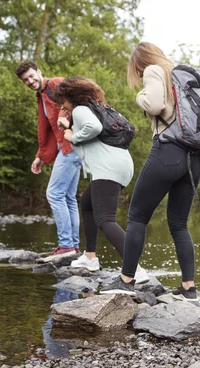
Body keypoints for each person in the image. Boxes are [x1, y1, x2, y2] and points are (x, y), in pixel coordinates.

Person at [101, 42, 200, 300]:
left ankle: (126, 280)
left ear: (139, 63)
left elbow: (154, 104)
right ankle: (188, 287)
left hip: (168, 151)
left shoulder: (154, 71)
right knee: (179, 223)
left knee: (136, 216)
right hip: (193, 157)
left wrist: (139, 97)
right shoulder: (180, 73)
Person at [52, 77, 149, 283]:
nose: (62, 105)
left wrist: (72, 137)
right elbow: (92, 136)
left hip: (109, 168)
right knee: (87, 205)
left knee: (105, 219)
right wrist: (70, 126)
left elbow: (93, 128)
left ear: (72, 97)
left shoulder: (80, 109)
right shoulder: (91, 108)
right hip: (120, 165)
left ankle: (135, 269)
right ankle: (89, 257)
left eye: (63, 100)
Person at [15, 60, 82, 262]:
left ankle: (65, 246)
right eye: (25, 80)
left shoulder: (55, 84)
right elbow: (46, 130)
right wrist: (39, 156)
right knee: (68, 197)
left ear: (39, 71)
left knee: (54, 193)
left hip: (71, 146)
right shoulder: (41, 96)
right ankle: (73, 247)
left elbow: (73, 99)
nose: (29, 81)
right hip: (68, 148)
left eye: (31, 76)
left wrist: (63, 115)